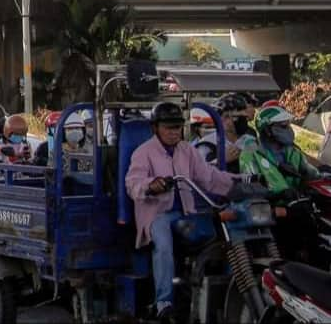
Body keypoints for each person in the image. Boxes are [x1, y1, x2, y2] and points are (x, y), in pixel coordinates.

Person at [126, 102, 245, 323]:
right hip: (157, 215)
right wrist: (152, 185)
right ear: (155, 128)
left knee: (225, 233)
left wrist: (240, 182)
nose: (174, 132)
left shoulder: (187, 150)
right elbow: (132, 184)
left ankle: (226, 288)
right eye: (168, 127)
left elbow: (209, 176)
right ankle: (164, 302)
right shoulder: (143, 152)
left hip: (188, 213)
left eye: (177, 127)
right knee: (162, 244)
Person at [240, 106, 320, 197]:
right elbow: (252, 188)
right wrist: (279, 196)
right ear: (267, 130)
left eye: (289, 125)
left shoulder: (293, 152)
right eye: (283, 126)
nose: (289, 130)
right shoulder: (251, 154)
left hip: (298, 205)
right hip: (268, 208)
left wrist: (324, 175)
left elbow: (312, 174)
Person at [193, 95, 251, 172]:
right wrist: (221, 161)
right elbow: (197, 172)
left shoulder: (250, 140)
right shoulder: (207, 144)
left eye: (244, 118)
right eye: (238, 117)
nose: (242, 122)